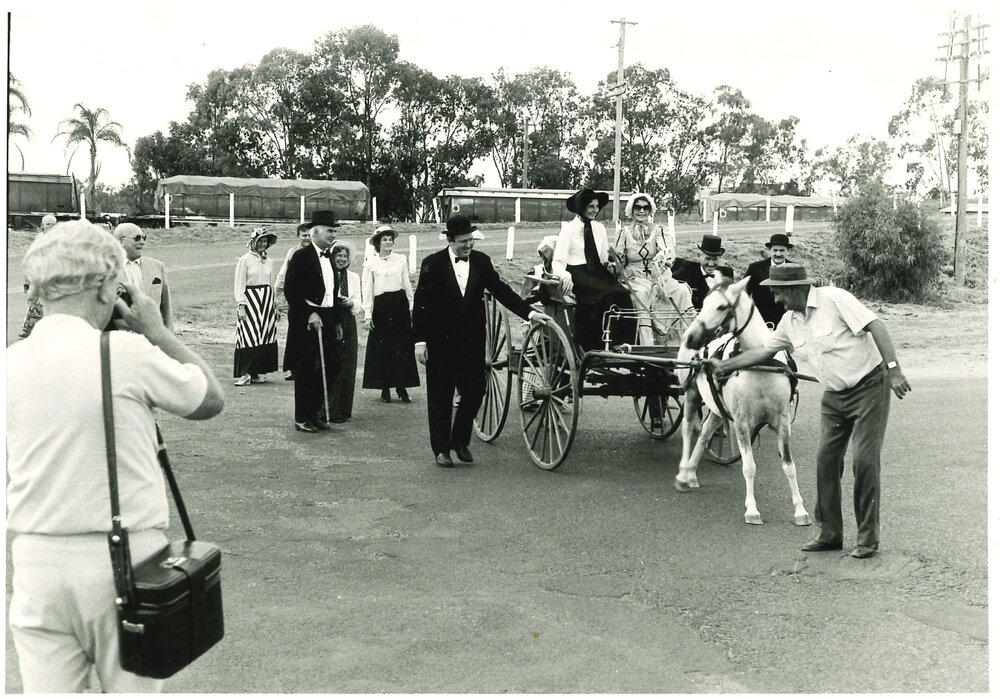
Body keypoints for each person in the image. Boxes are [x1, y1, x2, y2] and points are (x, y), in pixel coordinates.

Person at [6, 220, 224, 693]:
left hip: (36, 560)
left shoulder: (10, 364)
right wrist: (156, 330)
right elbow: (209, 399)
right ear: (107, 285)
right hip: (125, 562)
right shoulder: (124, 353)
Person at [703, 263, 911, 559]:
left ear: (795, 289)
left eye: (778, 293)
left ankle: (867, 538)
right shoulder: (790, 321)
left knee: (864, 462)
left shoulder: (835, 299)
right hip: (834, 396)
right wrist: (725, 365)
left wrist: (894, 370)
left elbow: (876, 325)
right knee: (826, 461)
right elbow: (763, 352)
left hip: (869, 388)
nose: (776, 300)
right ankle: (829, 533)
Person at [413, 214, 551, 468]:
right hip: (439, 341)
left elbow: (502, 291)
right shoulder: (432, 263)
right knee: (441, 397)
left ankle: (460, 439)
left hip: (471, 340)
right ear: (450, 239)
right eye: (463, 241)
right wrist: (419, 341)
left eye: (471, 240)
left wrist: (530, 314)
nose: (469, 245)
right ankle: (441, 449)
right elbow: (420, 305)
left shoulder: (481, 261)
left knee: (476, 390)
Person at [283, 210, 345, 433]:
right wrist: (309, 313)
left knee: (334, 364)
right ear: (315, 232)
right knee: (305, 368)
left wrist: (336, 321)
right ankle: (302, 417)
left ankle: (313, 410)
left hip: (327, 316)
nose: (332, 234)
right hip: (306, 317)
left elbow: (332, 292)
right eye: (330, 230)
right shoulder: (301, 256)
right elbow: (291, 290)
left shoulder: (329, 257)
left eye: (334, 231)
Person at [551, 188, 634, 351]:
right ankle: (598, 344)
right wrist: (565, 275)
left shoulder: (599, 229)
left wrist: (612, 264)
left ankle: (624, 343)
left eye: (597, 206)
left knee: (623, 294)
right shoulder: (568, 230)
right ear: (581, 207)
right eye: (590, 206)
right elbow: (557, 261)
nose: (595, 210)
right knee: (605, 296)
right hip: (578, 273)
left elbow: (603, 258)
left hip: (597, 272)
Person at [613, 192, 692, 344]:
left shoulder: (659, 231)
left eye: (645, 207)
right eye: (638, 207)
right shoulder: (623, 233)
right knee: (642, 294)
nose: (641, 211)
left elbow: (667, 250)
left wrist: (662, 256)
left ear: (650, 210)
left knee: (681, 291)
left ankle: (685, 342)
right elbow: (618, 259)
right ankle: (647, 344)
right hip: (635, 278)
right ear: (632, 210)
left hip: (658, 277)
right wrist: (618, 261)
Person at [361, 224, 420, 404]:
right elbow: (368, 289)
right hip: (381, 308)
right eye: (384, 240)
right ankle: (385, 388)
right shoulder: (370, 264)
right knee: (383, 349)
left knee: (401, 348)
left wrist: (411, 306)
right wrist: (368, 314)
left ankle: (402, 388)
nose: (388, 242)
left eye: (390, 239)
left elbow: (406, 284)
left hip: (399, 306)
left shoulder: (401, 260)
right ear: (377, 243)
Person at [233, 227, 279, 386]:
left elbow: (271, 284)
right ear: (253, 241)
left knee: (264, 334)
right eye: (260, 241)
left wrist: (275, 305)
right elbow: (240, 284)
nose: (263, 244)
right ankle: (244, 373)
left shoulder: (270, 261)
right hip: (250, 300)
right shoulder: (244, 260)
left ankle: (256, 372)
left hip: (266, 301)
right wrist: (241, 305)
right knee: (248, 335)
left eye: (265, 241)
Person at [327, 238, 363, 422]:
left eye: (344, 256)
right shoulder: (328, 274)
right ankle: (328, 409)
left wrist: (350, 302)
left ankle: (343, 410)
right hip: (332, 320)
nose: (342, 259)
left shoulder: (354, 277)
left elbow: (359, 302)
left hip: (348, 321)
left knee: (348, 365)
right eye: (338, 256)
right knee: (333, 365)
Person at [113, 222, 174, 330]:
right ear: (121, 241)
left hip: (152, 338)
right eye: (137, 238)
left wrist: (169, 334)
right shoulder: (106, 270)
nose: (142, 242)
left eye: (143, 238)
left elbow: (166, 310)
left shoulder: (158, 267)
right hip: (120, 339)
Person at [277, 222, 314, 380]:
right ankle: (294, 369)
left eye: (309, 235)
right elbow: (284, 272)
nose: (307, 238)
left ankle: (309, 368)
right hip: (296, 298)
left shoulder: (317, 251)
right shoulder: (293, 252)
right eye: (304, 235)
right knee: (295, 333)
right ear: (298, 236)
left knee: (310, 334)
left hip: (312, 298)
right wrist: (279, 292)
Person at [18, 214, 60, 338]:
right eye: (48, 224)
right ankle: (29, 329)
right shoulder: (39, 239)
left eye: (53, 224)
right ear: (42, 226)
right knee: (35, 303)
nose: (51, 227)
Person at [671, 234, 735, 310]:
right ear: (699, 256)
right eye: (707, 259)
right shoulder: (687, 270)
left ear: (720, 258)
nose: (711, 264)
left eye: (715, 259)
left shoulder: (727, 273)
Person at [744, 232, 793, 328]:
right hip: (759, 323)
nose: (778, 254)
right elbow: (744, 294)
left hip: (787, 324)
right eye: (775, 250)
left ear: (788, 251)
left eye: (782, 250)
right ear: (769, 250)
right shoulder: (755, 268)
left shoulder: (795, 269)